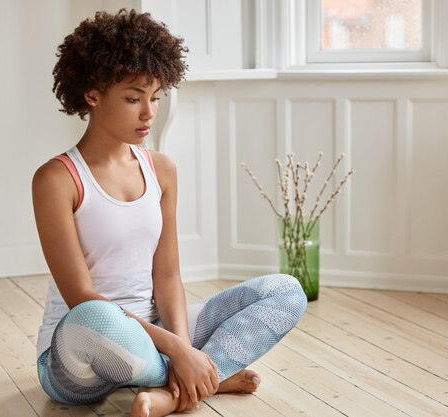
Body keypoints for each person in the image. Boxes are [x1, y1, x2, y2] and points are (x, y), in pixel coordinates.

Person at [32, 9, 307, 417]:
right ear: (92, 93)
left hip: (155, 330)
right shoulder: (56, 179)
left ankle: (176, 390)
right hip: (79, 352)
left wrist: (180, 342)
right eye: (132, 98)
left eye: (156, 97)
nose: (148, 113)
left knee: (286, 290)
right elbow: (80, 298)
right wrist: (179, 350)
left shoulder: (160, 169)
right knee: (97, 316)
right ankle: (211, 375)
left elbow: (167, 275)